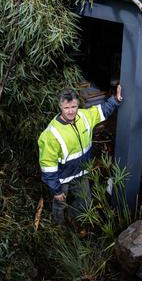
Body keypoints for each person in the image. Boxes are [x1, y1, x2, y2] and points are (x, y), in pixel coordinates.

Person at [37, 86, 123, 225]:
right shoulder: (51, 134)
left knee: (85, 201)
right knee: (60, 204)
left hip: (82, 172)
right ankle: (58, 228)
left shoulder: (84, 116)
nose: (71, 111)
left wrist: (116, 100)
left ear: (78, 105)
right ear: (60, 106)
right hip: (62, 178)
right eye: (66, 108)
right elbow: (48, 167)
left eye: (74, 106)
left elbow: (102, 110)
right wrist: (56, 190)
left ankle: (73, 219)